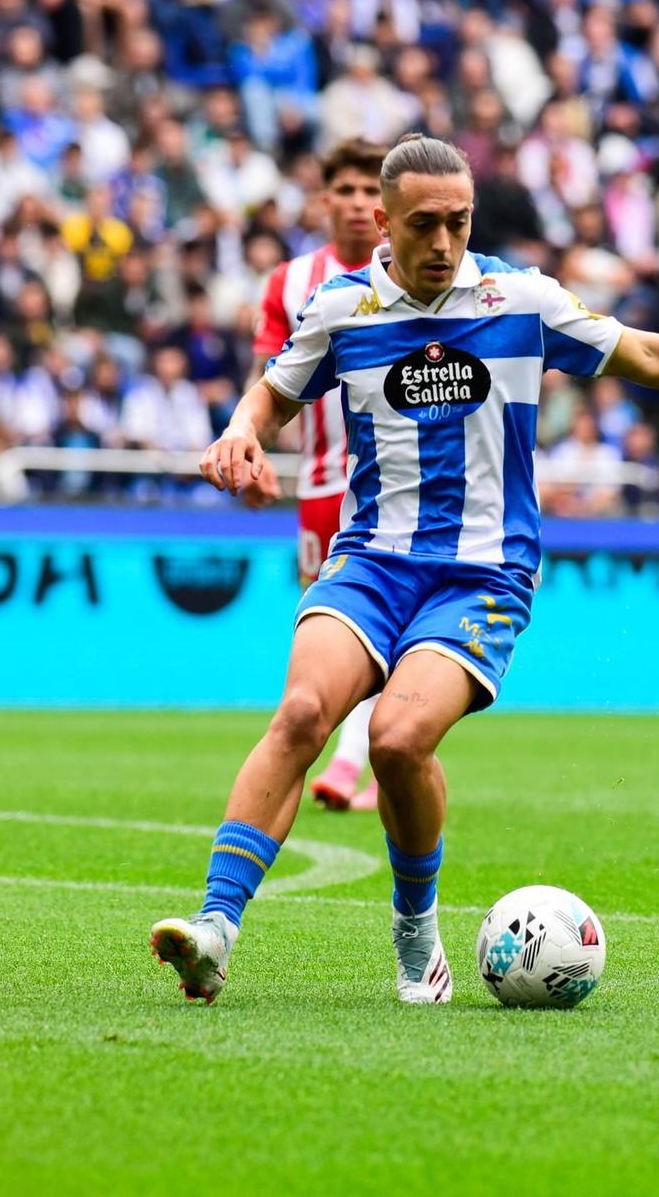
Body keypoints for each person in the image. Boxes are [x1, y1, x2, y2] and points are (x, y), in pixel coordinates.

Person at [150, 134, 659, 1004]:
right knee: (301, 711)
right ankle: (216, 927)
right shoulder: (344, 309)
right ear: (384, 220)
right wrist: (241, 430)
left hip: (482, 575)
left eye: (458, 221)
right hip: (372, 560)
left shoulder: (521, 299)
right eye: (424, 225)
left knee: (397, 740)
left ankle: (416, 929)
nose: (443, 242)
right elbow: (275, 389)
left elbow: (643, 352)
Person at [247, 139, 387, 812]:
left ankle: (352, 757)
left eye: (372, 191)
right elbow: (268, 382)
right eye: (349, 190)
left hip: (391, 485)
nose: (361, 203)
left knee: (391, 618)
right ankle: (351, 754)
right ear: (325, 199)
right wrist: (248, 447)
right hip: (322, 484)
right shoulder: (290, 283)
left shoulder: (410, 273)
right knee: (327, 621)